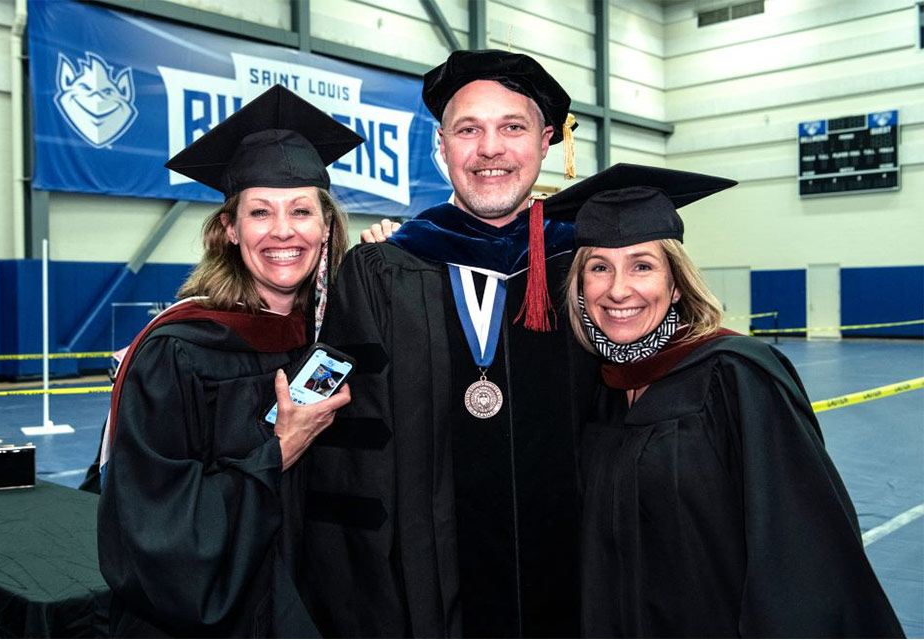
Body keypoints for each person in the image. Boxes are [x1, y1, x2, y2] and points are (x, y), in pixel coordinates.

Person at [299, 50, 599, 638]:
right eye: (469, 129)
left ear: (545, 143)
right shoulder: (380, 272)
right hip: (430, 594)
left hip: (581, 582)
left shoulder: (589, 267)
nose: (490, 149)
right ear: (442, 146)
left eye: (512, 127)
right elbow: (341, 451)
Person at [557, 163, 904, 637]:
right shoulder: (601, 390)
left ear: (676, 284)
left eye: (642, 265)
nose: (619, 289)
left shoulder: (736, 374)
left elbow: (801, 551)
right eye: (599, 267)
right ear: (580, 286)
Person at [97, 85, 363, 637]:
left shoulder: (327, 338)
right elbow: (156, 528)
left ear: (328, 227)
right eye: (259, 212)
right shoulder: (178, 351)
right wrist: (279, 452)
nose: (283, 231)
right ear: (230, 229)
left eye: (302, 211)